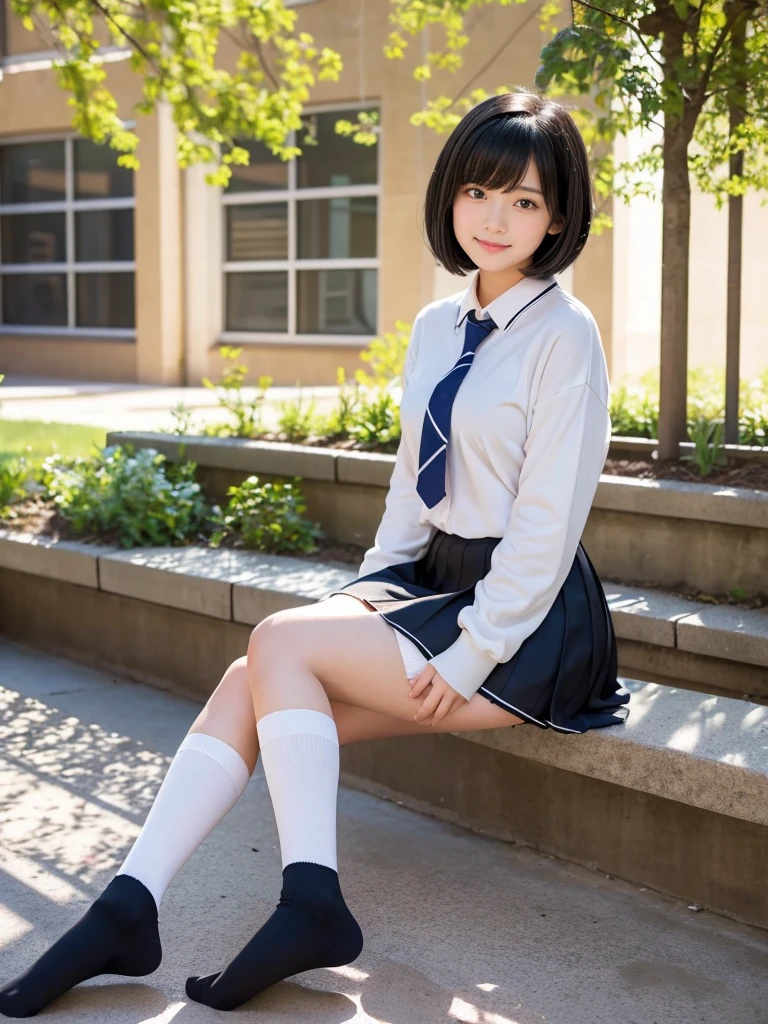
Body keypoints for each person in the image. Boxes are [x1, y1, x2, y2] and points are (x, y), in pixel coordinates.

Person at [0, 89, 630, 1018]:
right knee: (251, 672)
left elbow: (549, 524)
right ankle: (127, 908)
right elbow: (412, 488)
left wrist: (473, 649)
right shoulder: (434, 328)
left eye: (526, 201)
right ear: (450, 198)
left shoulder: (565, 337)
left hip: (529, 627)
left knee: (277, 647)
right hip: (433, 586)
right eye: (478, 192)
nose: (495, 218)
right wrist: (366, 597)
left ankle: (311, 903)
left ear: (560, 216)